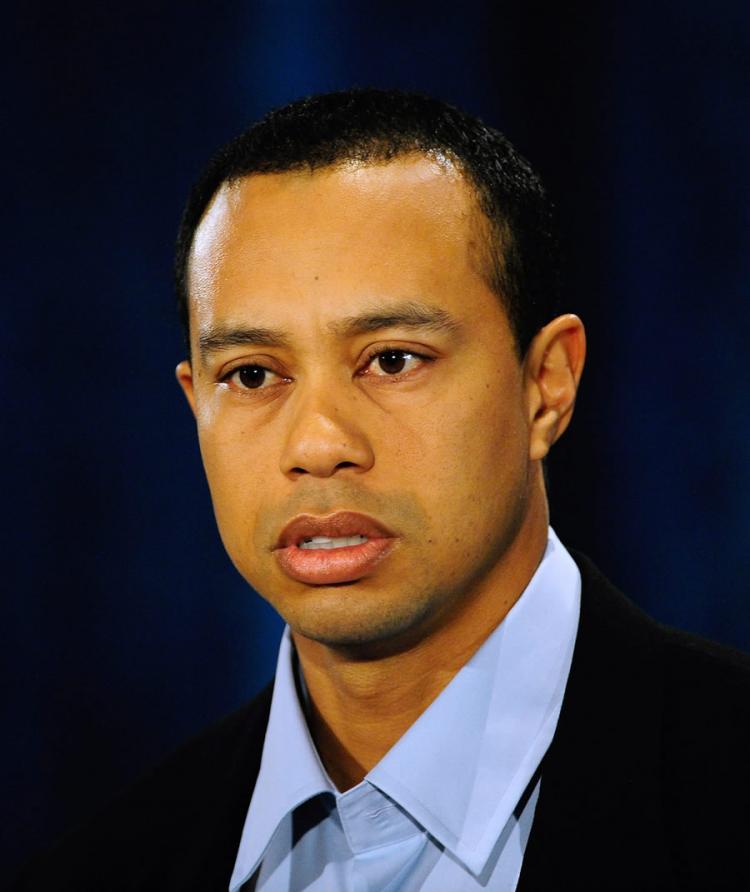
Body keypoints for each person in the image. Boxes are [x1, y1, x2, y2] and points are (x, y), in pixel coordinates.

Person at [15, 89, 750, 891]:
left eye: (392, 360)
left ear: (547, 385)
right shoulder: (103, 868)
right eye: (254, 375)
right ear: (196, 403)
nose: (318, 444)